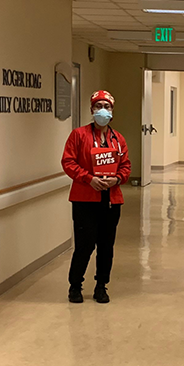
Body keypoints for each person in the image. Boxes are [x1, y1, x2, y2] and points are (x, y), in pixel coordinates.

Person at [61, 90, 131, 304]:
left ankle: (102, 286)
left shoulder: (118, 139)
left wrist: (117, 179)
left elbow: (126, 167)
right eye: (98, 106)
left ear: (112, 110)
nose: (103, 110)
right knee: (84, 245)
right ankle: (75, 286)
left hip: (110, 200)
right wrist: (88, 178)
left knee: (106, 246)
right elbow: (68, 162)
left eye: (107, 106)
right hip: (85, 199)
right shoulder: (78, 135)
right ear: (92, 110)